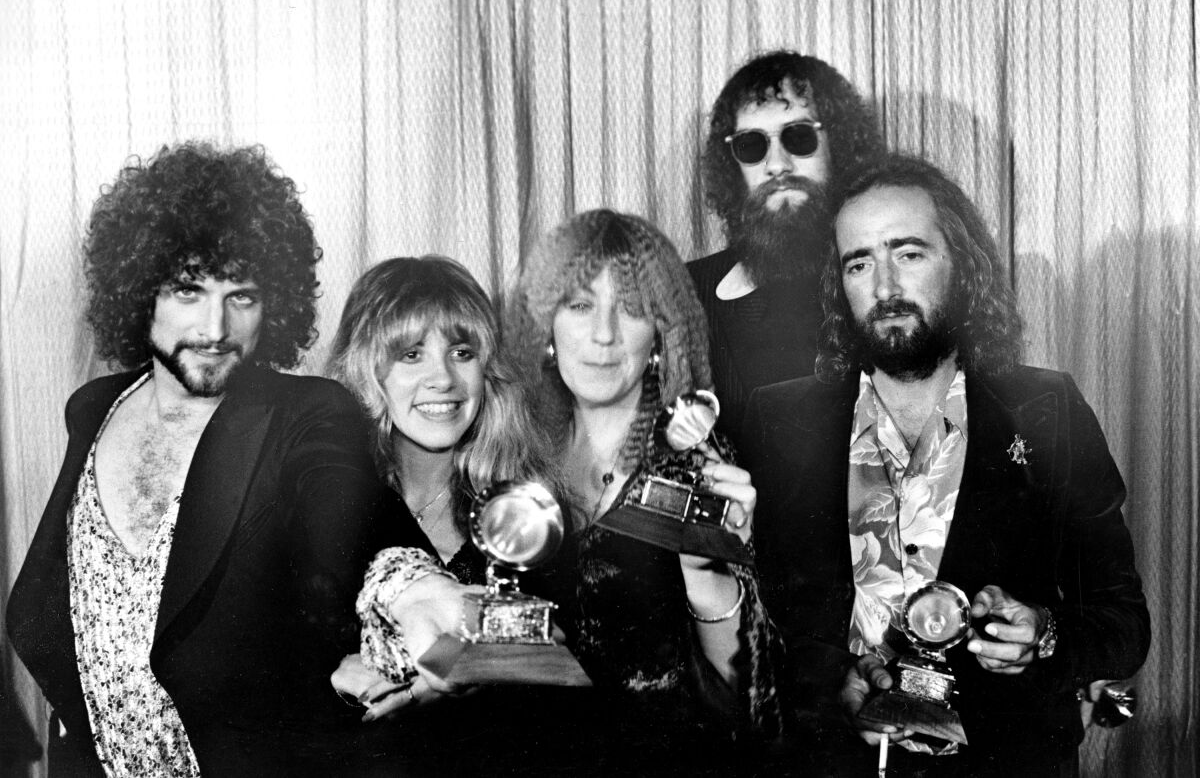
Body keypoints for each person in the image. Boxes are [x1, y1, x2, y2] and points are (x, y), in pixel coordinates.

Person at [742, 153, 1150, 776]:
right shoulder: (777, 423)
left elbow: (1124, 623)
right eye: (859, 262)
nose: (883, 287)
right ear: (838, 282)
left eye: (908, 253)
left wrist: (1042, 633)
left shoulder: (1048, 410)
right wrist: (829, 681)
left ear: (961, 264)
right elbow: (745, 622)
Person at [5, 142, 402, 776]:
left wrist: (412, 591)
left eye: (241, 296)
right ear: (139, 294)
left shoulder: (304, 415)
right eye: (189, 291)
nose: (216, 327)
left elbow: (358, 520)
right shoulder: (93, 410)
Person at [349, 210, 779, 776]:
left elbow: (759, 706)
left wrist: (708, 575)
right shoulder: (510, 451)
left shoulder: (698, 461)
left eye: (630, 307)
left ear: (660, 332)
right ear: (547, 326)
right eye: (580, 306)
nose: (604, 335)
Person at [325, 256, 580, 775]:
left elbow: (560, 663)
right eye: (411, 354)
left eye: (461, 353)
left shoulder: (525, 509)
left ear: (488, 371)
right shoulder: (327, 506)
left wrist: (449, 679)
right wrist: (334, 686)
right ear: (365, 370)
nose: (442, 378)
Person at [691, 50, 884, 443]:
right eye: (751, 145)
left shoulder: (883, 282)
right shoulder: (687, 289)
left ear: (840, 144)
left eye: (799, 137)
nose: (777, 164)